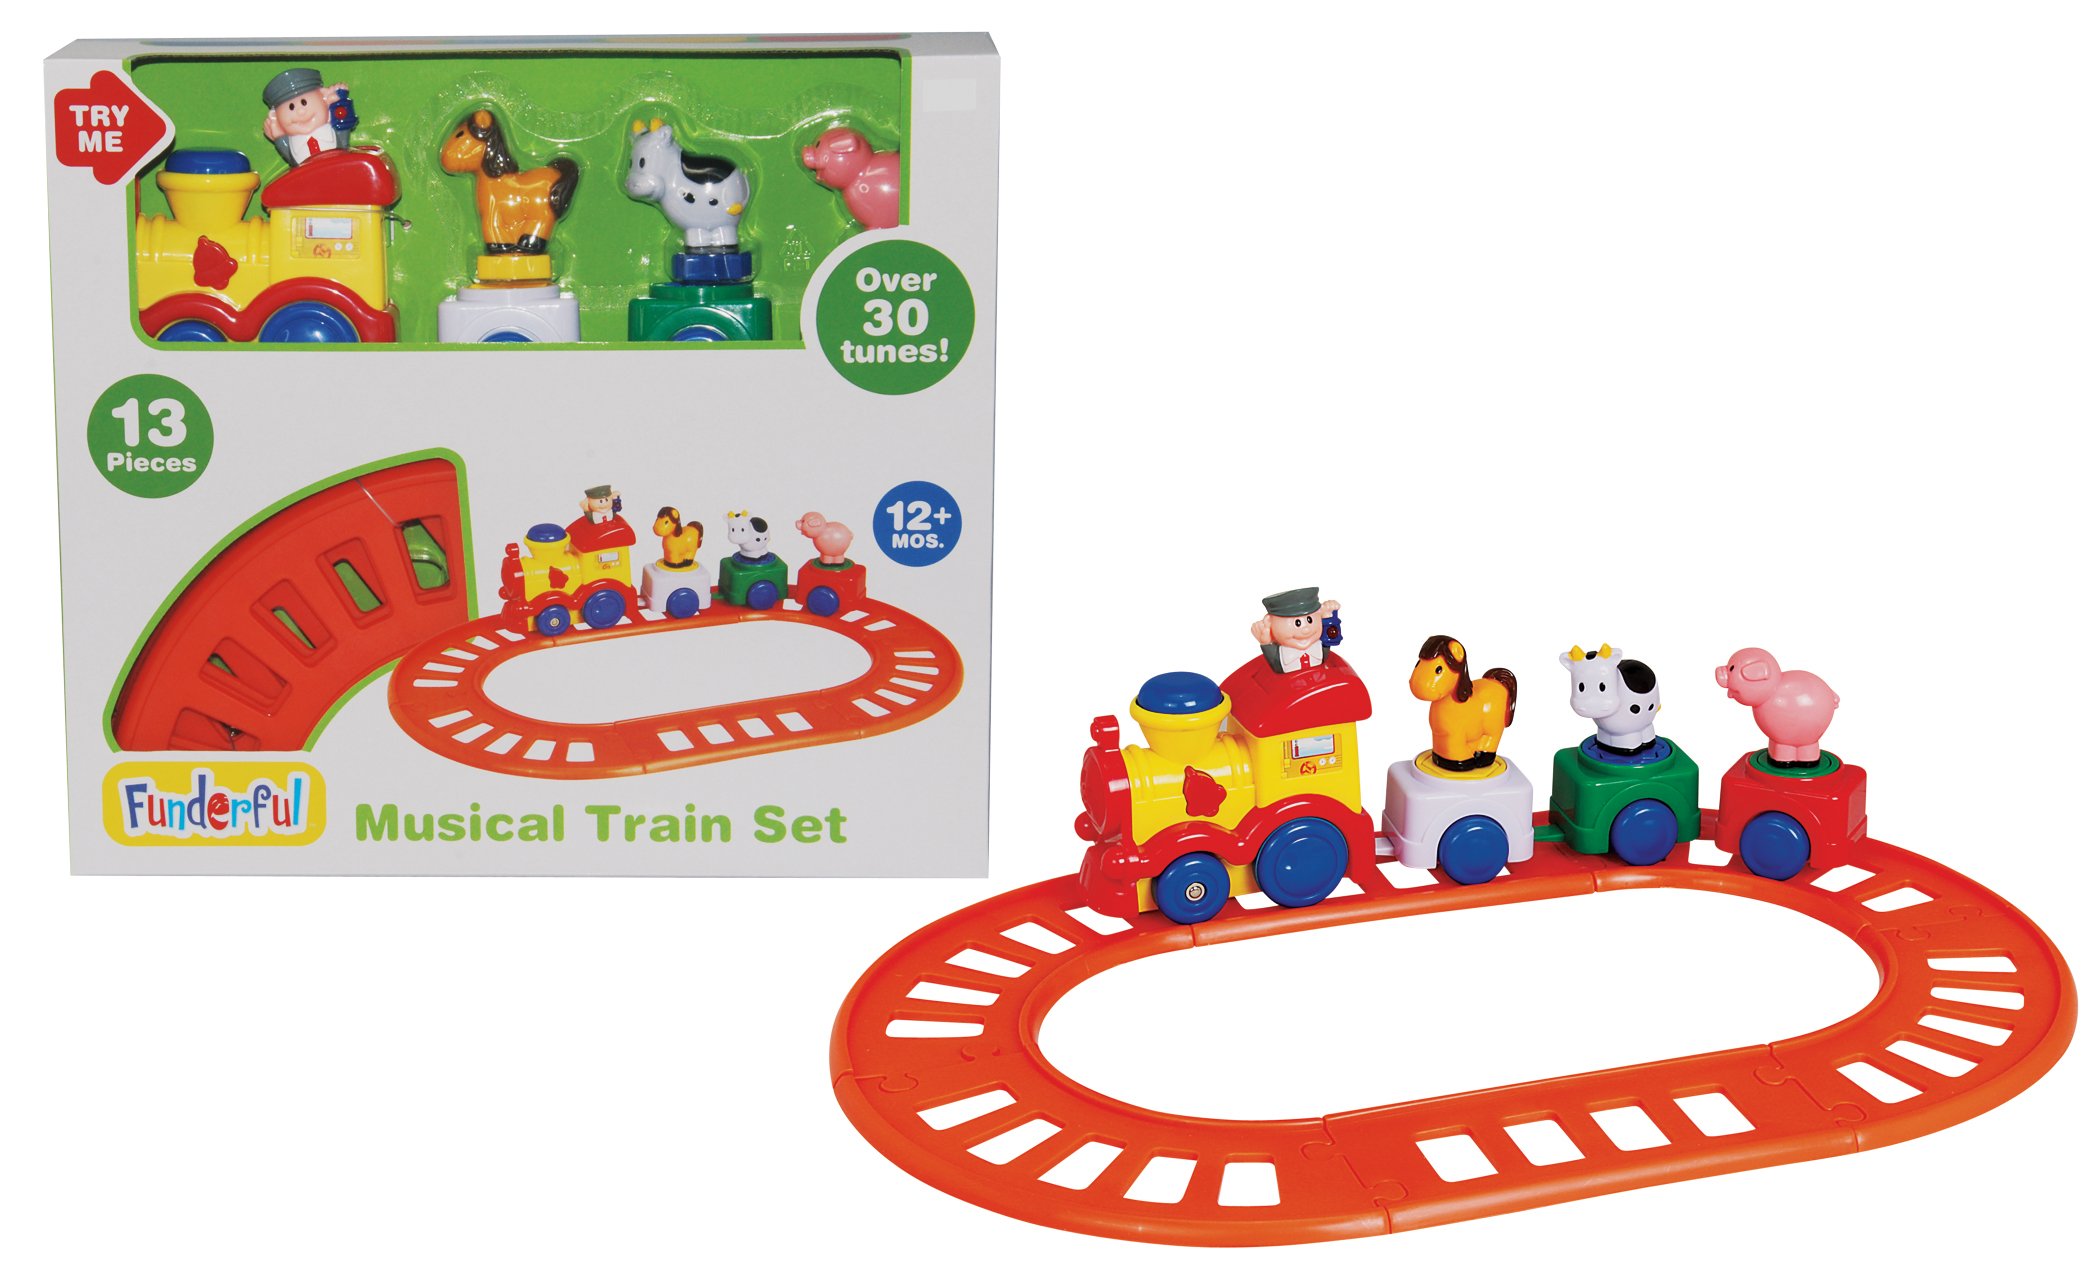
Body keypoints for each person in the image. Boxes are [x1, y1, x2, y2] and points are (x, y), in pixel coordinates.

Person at [262, 68, 349, 167]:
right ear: (277, 118)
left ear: (324, 98)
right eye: (291, 107)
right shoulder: (294, 146)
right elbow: (290, 158)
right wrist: (279, 137)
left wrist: (339, 101)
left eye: (304, 102)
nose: (300, 111)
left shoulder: (334, 131)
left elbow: (344, 132)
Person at [1251, 587, 1341, 673]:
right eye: (1297, 623)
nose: (1306, 630)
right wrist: (1266, 642)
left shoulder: (1320, 649)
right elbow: (1274, 662)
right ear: (1269, 622)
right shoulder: (1281, 657)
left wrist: (1327, 616)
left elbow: (1331, 637)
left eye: (1309, 620)